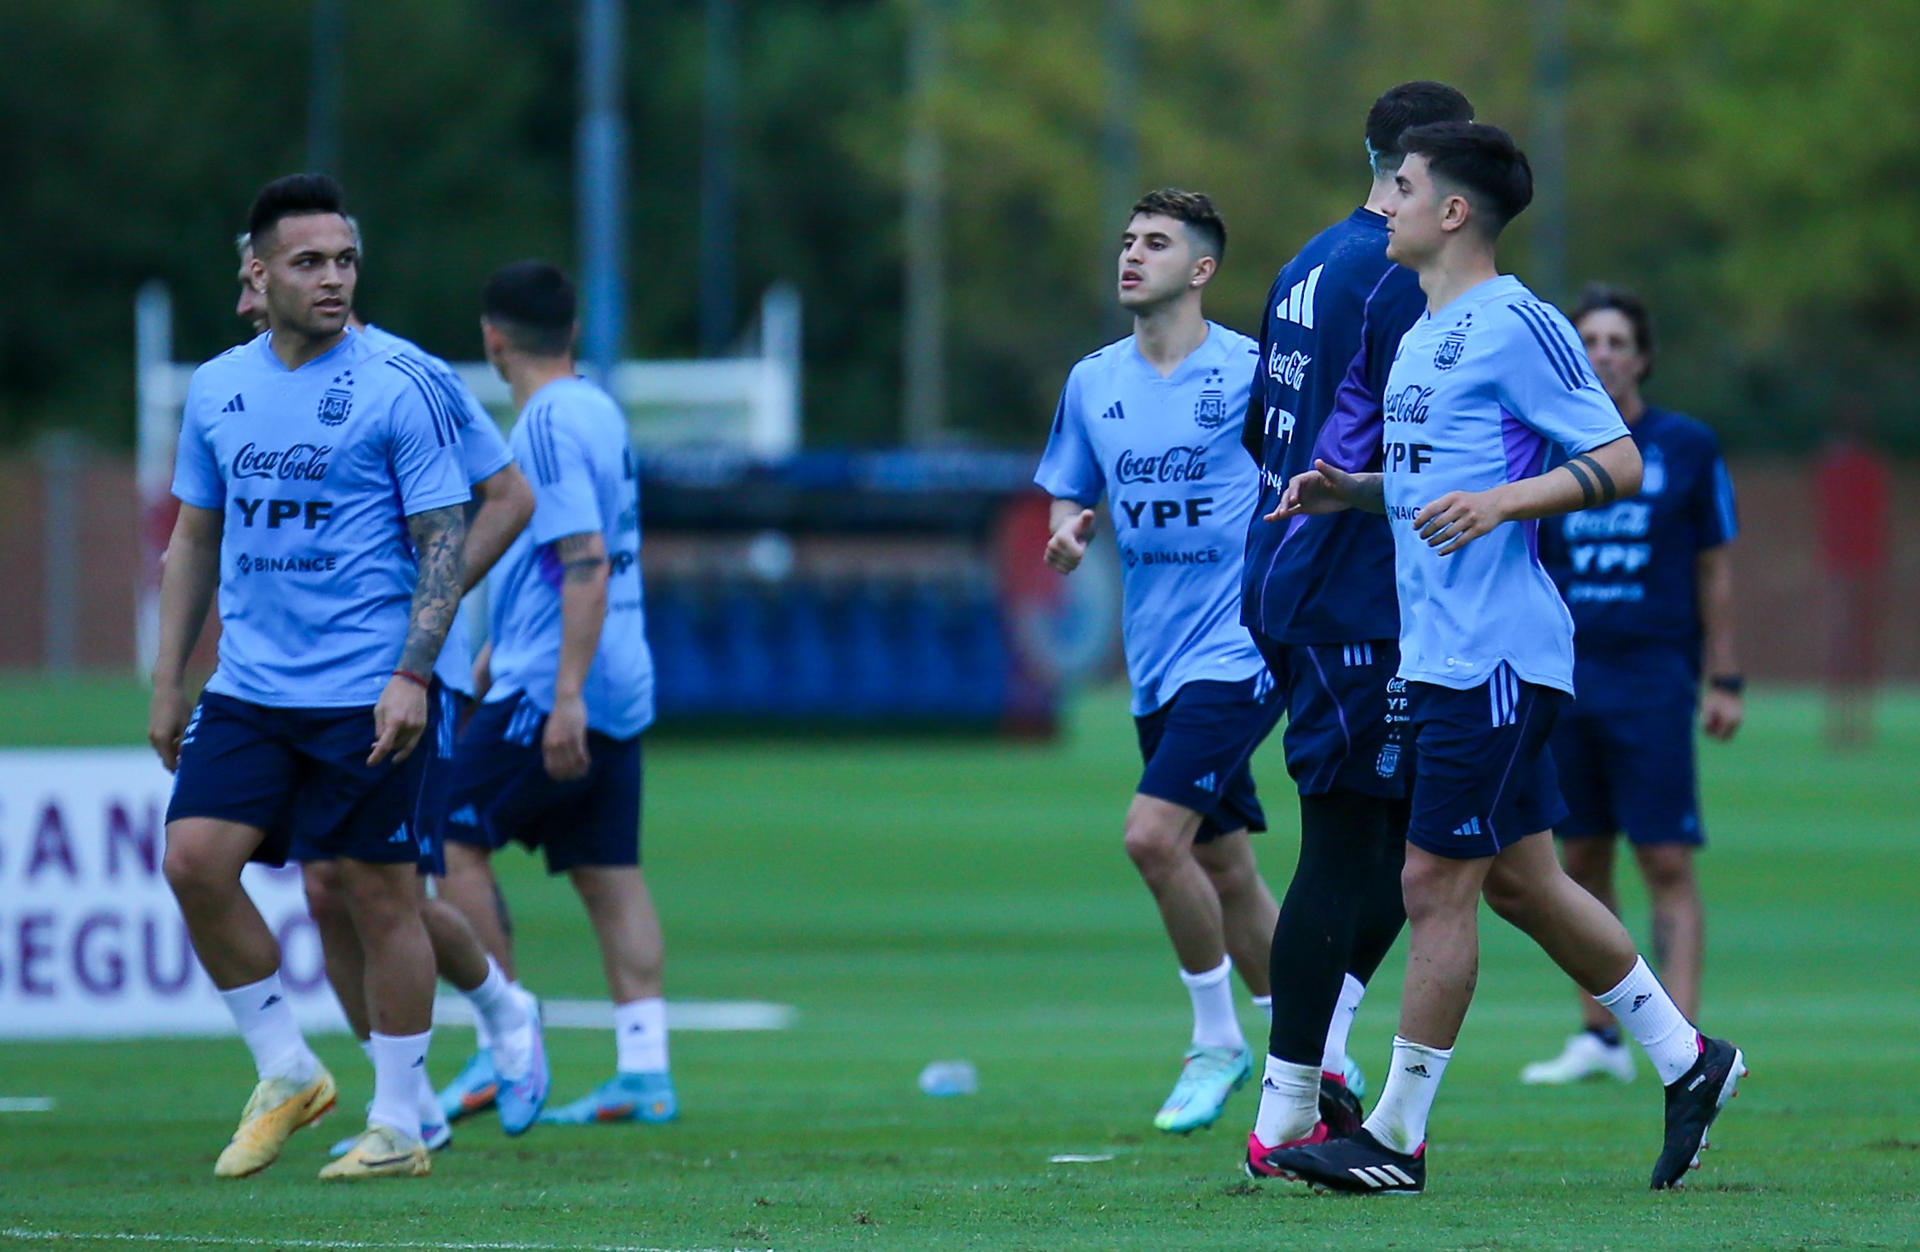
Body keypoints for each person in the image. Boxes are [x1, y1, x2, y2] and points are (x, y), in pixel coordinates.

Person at [1263, 123, 1745, 1193]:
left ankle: (1394, 1135)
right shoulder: (1427, 330)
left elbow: (1615, 458)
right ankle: (1689, 1058)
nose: (1383, 200)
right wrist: (1356, 491)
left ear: (1452, 213)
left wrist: (1504, 502)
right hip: (1443, 653)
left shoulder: (1517, 322)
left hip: (1496, 656)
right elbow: (1441, 483)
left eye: (1405, 184)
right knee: (1526, 882)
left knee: (1434, 880)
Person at [152, 173, 470, 1180]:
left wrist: (413, 674)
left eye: (345, 260)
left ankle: (399, 1122)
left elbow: (444, 542)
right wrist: (169, 682)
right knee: (194, 862)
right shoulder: (217, 387)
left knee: (380, 900)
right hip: (249, 690)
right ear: (258, 275)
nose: (333, 279)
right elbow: (195, 539)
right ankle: (286, 1068)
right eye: (309, 262)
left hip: (365, 690)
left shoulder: (396, 383)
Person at [1238, 81, 1476, 1175]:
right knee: (1350, 843)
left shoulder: (1304, 261)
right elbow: (1404, 443)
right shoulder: (1394, 272)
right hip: (1347, 591)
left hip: (1296, 574)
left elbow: (1262, 428)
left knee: (1387, 841)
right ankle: (1285, 1106)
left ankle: (1315, 1068)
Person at [1035, 189, 1284, 1134]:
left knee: (1152, 837)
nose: (1131, 255)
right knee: (1227, 870)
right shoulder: (1093, 381)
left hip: (1241, 646)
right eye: (1127, 240)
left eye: (1156, 243)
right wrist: (1066, 535)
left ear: (1203, 269)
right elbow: (1067, 493)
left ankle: (1217, 1040)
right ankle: (1320, 1058)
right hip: (1158, 660)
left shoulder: (1256, 374)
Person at [435, 260, 676, 1126]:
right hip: (617, 673)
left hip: (560, 683)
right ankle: (646, 1071)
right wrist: (504, 647)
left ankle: (504, 1043)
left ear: (493, 338)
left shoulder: (540, 426)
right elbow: (567, 560)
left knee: (444, 837)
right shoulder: (598, 408)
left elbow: (583, 560)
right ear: (571, 333)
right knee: (610, 872)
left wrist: (561, 691)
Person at [1521, 286, 1743, 1086]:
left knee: (1665, 860)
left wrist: (1725, 676)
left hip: (1654, 678)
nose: (1603, 353)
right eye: (1589, 340)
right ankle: (1599, 1037)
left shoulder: (1685, 446)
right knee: (1576, 856)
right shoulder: (1550, 444)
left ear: (1642, 357)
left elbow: (1714, 568)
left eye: (1618, 340)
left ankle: (1681, 1045)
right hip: (1565, 677)